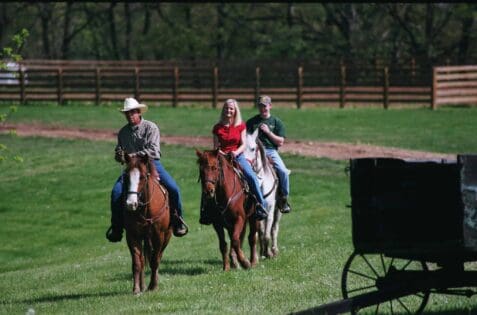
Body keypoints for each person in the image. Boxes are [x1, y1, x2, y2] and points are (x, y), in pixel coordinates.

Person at [106, 97, 188, 242]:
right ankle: (117, 227)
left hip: (152, 165)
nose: (130, 115)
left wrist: (133, 155)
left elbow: (155, 151)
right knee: (116, 193)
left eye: (132, 112)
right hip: (131, 170)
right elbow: (120, 156)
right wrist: (119, 156)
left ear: (138, 112)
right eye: (127, 113)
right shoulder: (123, 133)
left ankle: (178, 220)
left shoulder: (151, 127)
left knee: (174, 188)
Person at [199, 99, 268, 224]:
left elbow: (243, 144)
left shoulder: (240, 125)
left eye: (231, 109)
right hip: (221, 158)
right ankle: (205, 212)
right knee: (208, 180)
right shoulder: (217, 128)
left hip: (238, 156)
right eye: (226, 108)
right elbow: (216, 147)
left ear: (235, 111)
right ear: (223, 109)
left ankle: (260, 206)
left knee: (251, 177)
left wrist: (235, 153)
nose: (228, 111)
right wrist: (221, 153)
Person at [246, 95, 291, 213]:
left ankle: (283, 198)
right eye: (260, 106)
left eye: (265, 106)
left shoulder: (276, 122)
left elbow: (280, 142)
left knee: (283, 171)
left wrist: (268, 132)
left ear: (270, 106)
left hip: (271, 151)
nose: (263, 108)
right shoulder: (251, 122)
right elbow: (245, 139)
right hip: (254, 152)